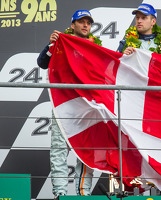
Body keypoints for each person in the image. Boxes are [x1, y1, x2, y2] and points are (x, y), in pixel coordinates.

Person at [37, 9, 101, 200]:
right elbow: (41, 63)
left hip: (86, 106)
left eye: (88, 23)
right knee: (59, 149)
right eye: (81, 22)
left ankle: (83, 193)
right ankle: (61, 194)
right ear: (72, 25)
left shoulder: (95, 46)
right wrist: (51, 44)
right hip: (63, 105)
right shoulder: (60, 42)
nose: (85, 25)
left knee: (86, 151)